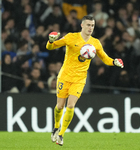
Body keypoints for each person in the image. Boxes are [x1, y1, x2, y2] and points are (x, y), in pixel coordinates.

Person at [46, 15, 124, 146]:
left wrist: (114, 61)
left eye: (92, 25)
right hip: (64, 76)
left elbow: (105, 58)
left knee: (70, 105)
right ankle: (56, 127)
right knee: (60, 106)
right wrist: (50, 41)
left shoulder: (95, 42)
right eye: (88, 25)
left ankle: (61, 134)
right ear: (82, 25)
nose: (90, 28)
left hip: (80, 79)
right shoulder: (71, 37)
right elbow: (51, 47)